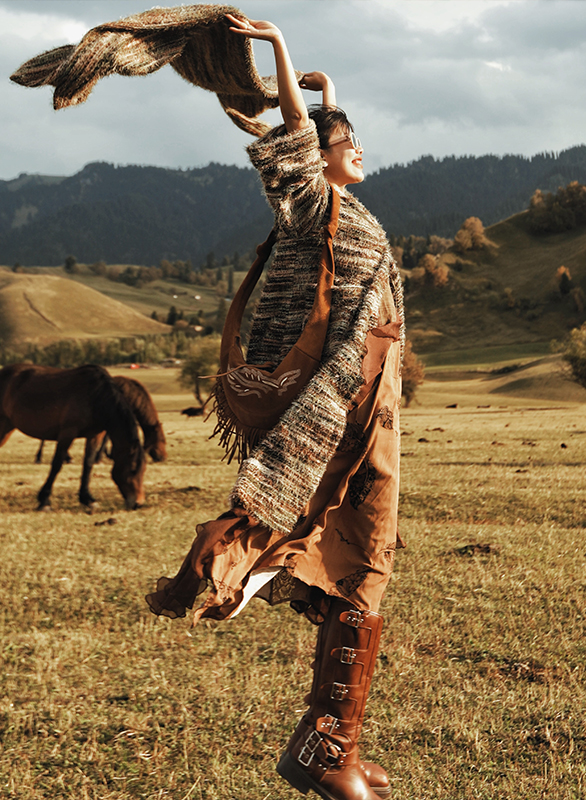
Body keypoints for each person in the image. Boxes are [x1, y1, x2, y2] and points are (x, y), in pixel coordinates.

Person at [146, 14, 405, 800]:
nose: (359, 146)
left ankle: (330, 746)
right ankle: (326, 750)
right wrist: (284, 51)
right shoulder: (308, 201)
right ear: (315, 157)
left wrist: (330, 91)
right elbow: (298, 129)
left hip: (372, 406)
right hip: (333, 409)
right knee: (356, 549)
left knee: (367, 554)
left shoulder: (339, 207)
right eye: (346, 138)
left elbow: (316, 122)